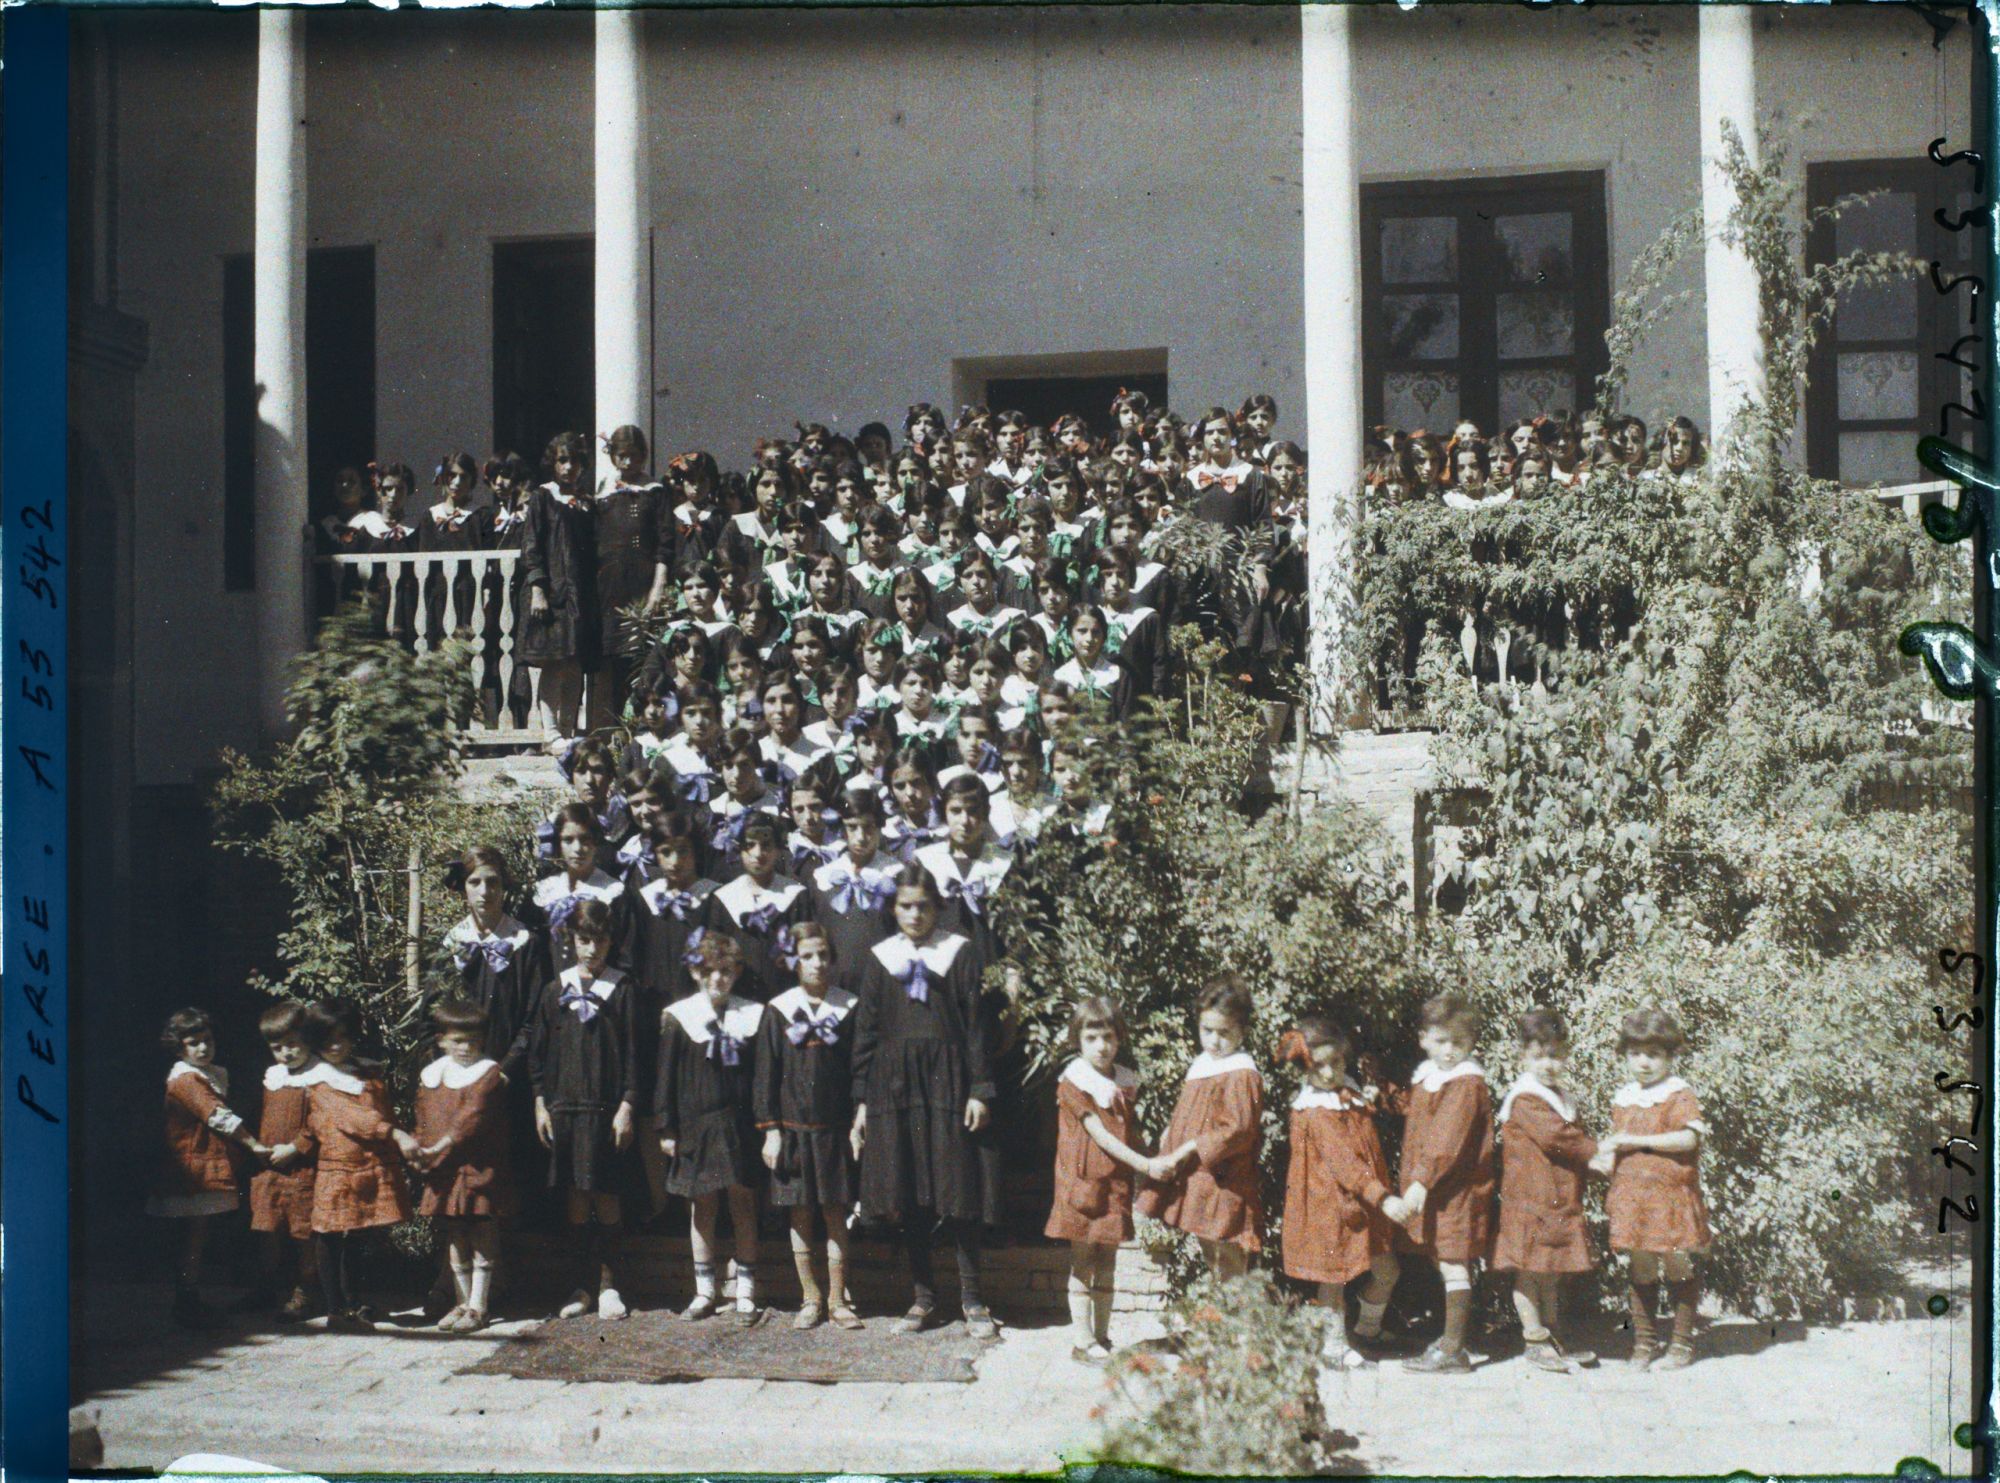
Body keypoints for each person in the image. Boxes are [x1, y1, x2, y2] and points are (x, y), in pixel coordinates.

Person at [850, 866, 1003, 1339]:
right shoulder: (880, 959)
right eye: (905, 906)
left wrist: (979, 1088)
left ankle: (973, 1300)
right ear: (893, 910)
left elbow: (978, 1026)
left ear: (937, 907)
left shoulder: (958, 953)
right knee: (910, 1191)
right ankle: (923, 1298)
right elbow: (867, 1032)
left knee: (958, 1190)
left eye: (923, 905)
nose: (914, 915)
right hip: (894, 1088)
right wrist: (861, 1103)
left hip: (948, 1082)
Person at [529, 899, 648, 1321]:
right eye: (583, 939)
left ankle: (610, 1287)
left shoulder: (624, 989)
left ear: (610, 941)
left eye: (599, 940)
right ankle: (579, 1286)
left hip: (606, 1110)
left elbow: (636, 1054)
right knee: (577, 1198)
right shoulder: (554, 990)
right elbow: (538, 1055)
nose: (591, 948)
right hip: (566, 1109)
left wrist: (628, 1105)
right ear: (571, 940)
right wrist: (541, 1102)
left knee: (608, 1196)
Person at [1278, 1016, 1410, 1371]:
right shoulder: (1315, 1110)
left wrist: (1376, 1092)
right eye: (1317, 1065)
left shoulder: (1346, 1093)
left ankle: (1367, 1327)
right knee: (1333, 1280)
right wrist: (1383, 1197)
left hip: (1362, 1204)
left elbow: (1375, 1118)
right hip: (1330, 1206)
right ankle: (1333, 1347)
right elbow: (1345, 1164)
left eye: (1335, 1062)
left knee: (1387, 1270)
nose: (1327, 1072)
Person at [753, 922, 864, 1330]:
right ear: (793, 962)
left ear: (832, 959)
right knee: (800, 1213)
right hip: (794, 1131)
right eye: (807, 956)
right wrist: (771, 1131)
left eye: (823, 955)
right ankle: (810, 1297)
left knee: (836, 1213)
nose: (816, 963)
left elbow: (859, 1071)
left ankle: (838, 1299)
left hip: (834, 1131)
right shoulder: (779, 1010)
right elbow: (765, 1075)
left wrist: (858, 1122)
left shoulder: (848, 1007)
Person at [1045, 996, 1165, 1366]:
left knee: (1109, 1261)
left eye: (1109, 1037)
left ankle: (1101, 1336)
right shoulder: (1075, 1082)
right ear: (1078, 1040)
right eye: (1092, 1037)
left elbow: (1131, 1132)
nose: (1102, 1046)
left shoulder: (1125, 1082)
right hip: (1082, 1183)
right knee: (1083, 1261)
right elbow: (1102, 1136)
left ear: (1120, 1038)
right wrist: (1144, 1163)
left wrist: (1156, 1156)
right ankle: (1082, 1341)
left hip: (1114, 1184)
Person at [657, 930, 768, 1325]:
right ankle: (704, 1290)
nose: (717, 978)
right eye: (709, 971)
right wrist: (666, 1127)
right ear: (696, 972)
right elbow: (666, 1077)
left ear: (736, 972)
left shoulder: (752, 1016)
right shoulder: (679, 1018)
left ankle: (745, 1291)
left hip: (738, 1125)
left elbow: (761, 1076)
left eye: (725, 971)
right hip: (696, 1125)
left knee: (742, 1203)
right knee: (701, 1205)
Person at [297, 998, 419, 1333]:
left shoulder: (366, 1074)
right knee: (331, 1233)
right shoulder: (317, 1081)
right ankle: (335, 1307)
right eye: (327, 1039)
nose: (336, 1045)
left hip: (369, 1166)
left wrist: (400, 1149)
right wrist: (394, 1133)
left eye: (343, 1037)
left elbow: (383, 1111)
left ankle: (353, 1300)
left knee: (359, 1234)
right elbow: (354, 1118)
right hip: (338, 1168)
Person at [1493, 1007, 1604, 1373]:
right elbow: (1558, 1138)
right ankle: (1534, 1338)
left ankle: (1552, 1333)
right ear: (1522, 1057)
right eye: (1539, 1057)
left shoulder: (1559, 1095)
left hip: (1555, 1200)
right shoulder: (1526, 1098)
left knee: (1550, 1270)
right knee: (1529, 1269)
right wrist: (1596, 1153)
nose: (1548, 1064)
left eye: (1556, 1055)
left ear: (1567, 1053)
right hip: (1531, 1201)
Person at [148, 1007, 271, 1329]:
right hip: (192, 1169)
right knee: (194, 1235)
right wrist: (254, 1144)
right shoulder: (187, 1080)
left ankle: (189, 1298)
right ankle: (186, 1301)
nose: (204, 1047)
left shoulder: (203, 1075)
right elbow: (217, 1115)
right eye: (194, 1043)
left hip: (205, 1163)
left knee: (198, 1235)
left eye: (208, 1040)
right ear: (179, 1048)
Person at [1604, 1007, 1712, 1370]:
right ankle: (1644, 1343)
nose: (1644, 1063)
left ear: (1669, 1055)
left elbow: (1687, 1139)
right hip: (1635, 1196)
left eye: (1653, 1054)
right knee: (1641, 1266)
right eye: (1636, 1054)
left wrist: (1636, 1140)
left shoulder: (1678, 1093)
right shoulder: (1624, 1096)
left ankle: (1681, 1343)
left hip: (1670, 1195)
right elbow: (1618, 1145)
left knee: (1678, 1262)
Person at [1136, 975, 1264, 1278]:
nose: (1214, 1041)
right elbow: (1190, 1114)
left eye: (1224, 1032)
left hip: (1225, 1181)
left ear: (1241, 1032)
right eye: (1207, 1030)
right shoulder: (1203, 1065)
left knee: (1228, 1256)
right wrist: (1171, 1133)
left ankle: (1238, 1323)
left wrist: (1190, 1146)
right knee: (1211, 1252)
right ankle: (1223, 1321)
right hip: (1200, 1178)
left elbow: (1238, 1129)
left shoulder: (1241, 1072)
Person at [1396, 993, 1496, 1374]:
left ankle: (1453, 1348)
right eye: (1442, 1041)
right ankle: (1450, 1342)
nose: (1451, 1050)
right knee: (1444, 1259)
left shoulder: (1466, 1083)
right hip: (1439, 1191)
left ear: (1471, 1042)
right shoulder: (1432, 1077)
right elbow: (1417, 1115)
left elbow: (1446, 1140)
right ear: (1424, 1038)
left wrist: (1421, 1181)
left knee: (1454, 1263)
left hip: (1456, 1191)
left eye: (1459, 1041)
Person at [410, 997, 515, 1334]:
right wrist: (419, 1148)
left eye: (473, 1040)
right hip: (444, 1169)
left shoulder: (487, 1073)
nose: (466, 1047)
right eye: (457, 1040)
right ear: (441, 1039)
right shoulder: (433, 1076)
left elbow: (472, 1117)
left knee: (482, 1233)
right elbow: (424, 1120)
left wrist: (440, 1146)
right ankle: (462, 1301)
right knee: (454, 1235)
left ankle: (480, 1306)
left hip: (477, 1168)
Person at [590, 425, 675, 729]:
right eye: (621, 456)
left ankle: (640, 726)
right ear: (612, 456)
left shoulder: (655, 492)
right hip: (609, 587)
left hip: (641, 584)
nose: (627, 463)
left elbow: (666, 544)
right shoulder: (603, 492)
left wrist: (657, 588)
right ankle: (609, 727)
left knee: (640, 657)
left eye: (634, 456)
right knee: (609, 658)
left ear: (644, 456)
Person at [518, 431, 599, 741]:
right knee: (553, 663)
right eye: (563, 461)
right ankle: (550, 731)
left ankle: (567, 729)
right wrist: (538, 588)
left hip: (581, 595)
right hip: (553, 593)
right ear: (553, 463)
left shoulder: (586, 503)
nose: (569, 467)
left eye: (575, 461)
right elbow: (531, 545)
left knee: (575, 661)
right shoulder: (543, 497)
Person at [245, 1001, 322, 1322]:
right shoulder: (273, 1077)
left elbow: (321, 1121)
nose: (286, 1054)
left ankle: (306, 1291)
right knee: (268, 1229)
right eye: (278, 1048)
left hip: (302, 1169)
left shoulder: (317, 1076)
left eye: (293, 1044)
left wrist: (296, 1147)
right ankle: (266, 1288)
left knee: (303, 1233)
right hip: (270, 1170)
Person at [710, 815, 813, 994]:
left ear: (778, 850)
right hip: (737, 996)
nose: (758, 854)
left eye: (766, 846)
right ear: (739, 850)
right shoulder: (724, 897)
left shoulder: (795, 896)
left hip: (783, 994)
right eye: (750, 845)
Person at [531, 802, 634, 973]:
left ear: (596, 842)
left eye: (585, 839)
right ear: (558, 844)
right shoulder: (545, 891)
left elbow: (625, 953)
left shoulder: (612, 892)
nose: (577, 849)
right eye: (568, 840)